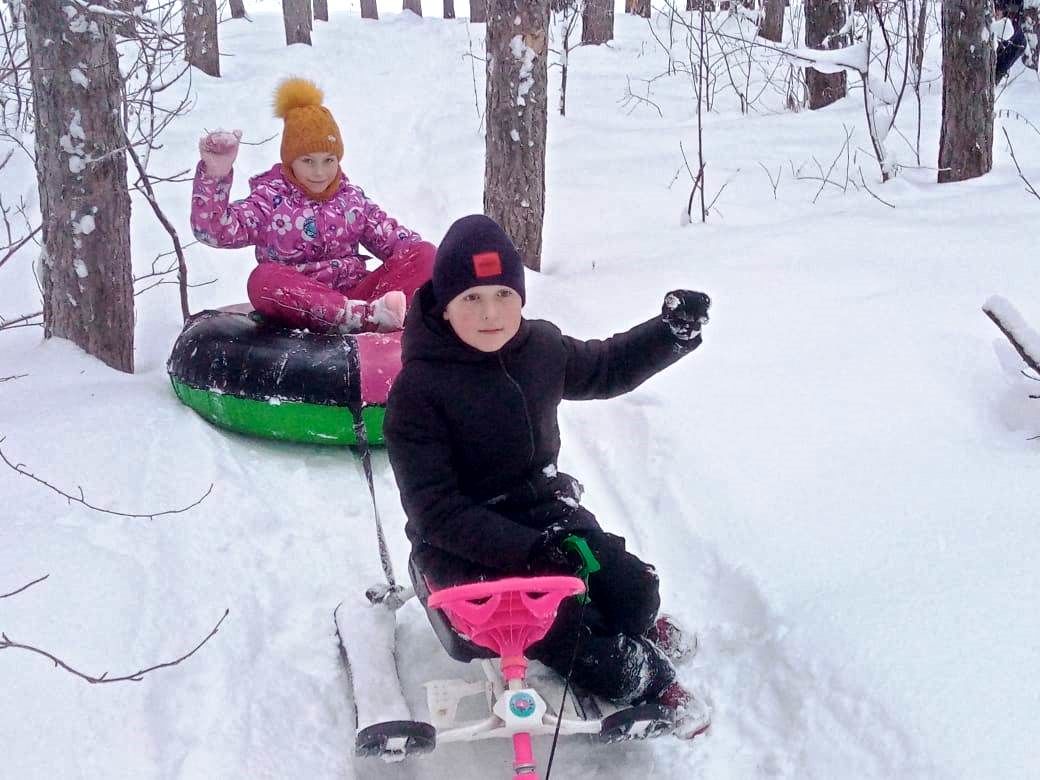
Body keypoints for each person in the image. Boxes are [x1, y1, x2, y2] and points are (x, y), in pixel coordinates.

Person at [384, 214, 712, 739]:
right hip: (464, 546)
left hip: (544, 513)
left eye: (503, 296)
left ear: (521, 299)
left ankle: (634, 623)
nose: (490, 314)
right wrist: (526, 550)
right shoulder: (418, 395)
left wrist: (668, 335)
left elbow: (605, 366)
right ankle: (647, 680)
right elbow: (437, 510)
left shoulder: (540, 349)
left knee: (635, 590)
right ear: (445, 306)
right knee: (569, 632)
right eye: (471, 299)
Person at [190, 78, 435, 333]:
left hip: (359, 297)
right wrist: (214, 175)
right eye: (308, 161)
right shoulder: (270, 200)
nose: (320, 172)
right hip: (298, 302)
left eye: (328, 160)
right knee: (262, 279)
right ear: (290, 161)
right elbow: (215, 231)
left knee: (426, 254)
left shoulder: (351, 201)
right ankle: (358, 319)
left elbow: (401, 244)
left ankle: (377, 316)